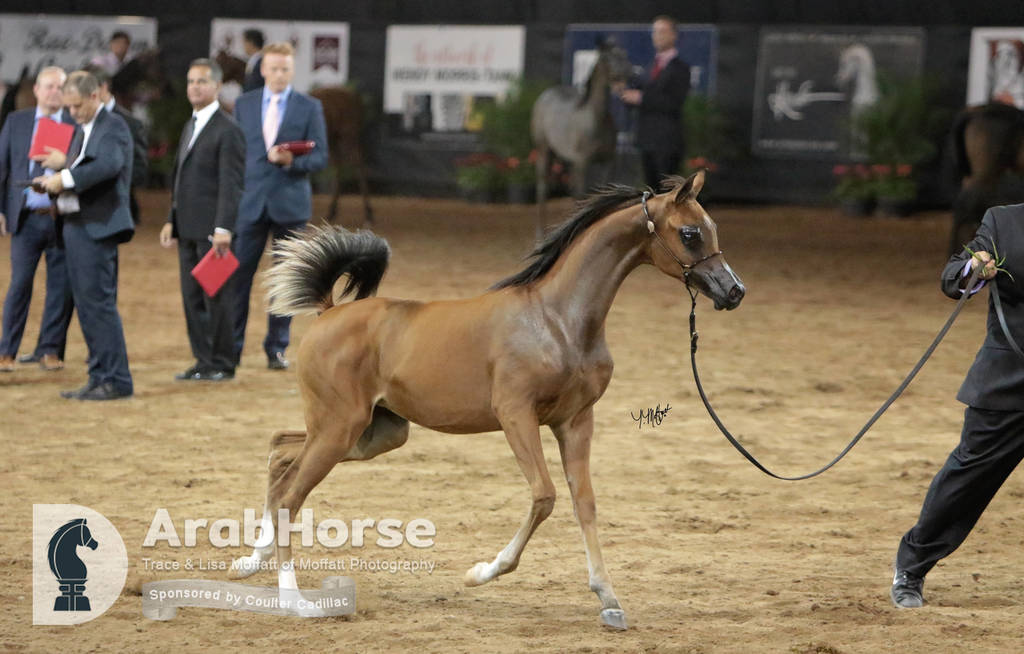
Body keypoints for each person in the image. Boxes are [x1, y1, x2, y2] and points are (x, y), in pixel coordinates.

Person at [890, 203, 1024, 607]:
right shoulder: (1004, 221)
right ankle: (911, 568)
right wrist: (974, 268)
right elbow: (953, 277)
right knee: (967, 478)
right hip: (1010, 380)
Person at [33, 70, 134, 400]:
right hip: (77, 225)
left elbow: (107, 165)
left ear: (94, 96)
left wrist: (65, 178)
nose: (72, 113)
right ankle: (98, 375)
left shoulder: (113, 126)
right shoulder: (83, 129)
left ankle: (117, 380)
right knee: (88, 306)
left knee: (99, 304)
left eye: (77, 106)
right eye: (68, 107)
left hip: (97, 227)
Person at [232, 41, 328, 370]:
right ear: (262, 70)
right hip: (250, 204)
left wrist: (291, 163)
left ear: (293, 70)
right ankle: (231, 347)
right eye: (273, 68)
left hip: (290, 204)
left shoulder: (309, 106)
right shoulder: (243, 104)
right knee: (238, 277)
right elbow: (235, 154)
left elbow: (321, 156)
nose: (278, 74)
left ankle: (276, 348)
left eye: (285, 69)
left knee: (285, 280)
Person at [159, 59, 245, 382]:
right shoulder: (190, 125)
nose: (194, 86)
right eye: (191, 81)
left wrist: (224, 228)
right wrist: (172, 218)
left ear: (217, 86)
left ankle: (223, 362)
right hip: (187, 228)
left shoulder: (228, 130)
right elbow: (181, 177)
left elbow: (231, 184)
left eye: (202, 81)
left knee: (217, 299)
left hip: (213, 232)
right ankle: (203, 361)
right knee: (192, 297)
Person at [0, 66, 75, 372]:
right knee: (19, 284)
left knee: (61, 286)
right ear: (36, 91)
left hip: (63, 217)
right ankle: (7, 351)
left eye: (59, 87)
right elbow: (1, 167)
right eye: (48, 87)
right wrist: (1, 210)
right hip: (26, 218)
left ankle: (50, 350)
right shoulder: (16, 122)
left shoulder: (76, 123)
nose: (53, 92)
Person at [619, 15, 690, 189]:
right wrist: (625, 94)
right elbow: (638, 98)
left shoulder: (680, 68)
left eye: (662, 31)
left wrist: (641, 98)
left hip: (667, 141)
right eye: (655, 32)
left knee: (667, 193)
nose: (657, 36)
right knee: (651, 192)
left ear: (674, 35)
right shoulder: (649, 67)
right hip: (646, 140)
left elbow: (673, 103)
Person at [83, 64, 148, 224]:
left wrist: (102, 179)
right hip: (79, 213)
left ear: (103, 87)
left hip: (118, 214)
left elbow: (139, 171)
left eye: (86, 88)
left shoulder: (131, 124)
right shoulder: (75, 120)